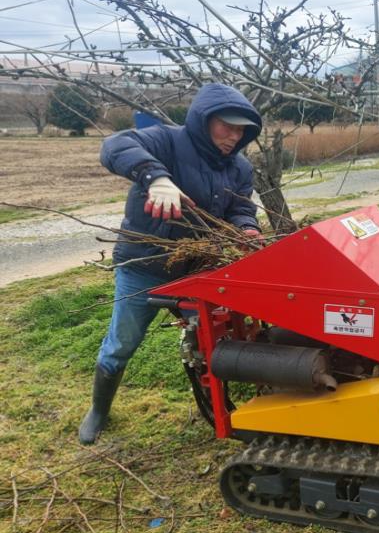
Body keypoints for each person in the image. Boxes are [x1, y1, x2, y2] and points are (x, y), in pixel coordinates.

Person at [79, 83, 263, 444]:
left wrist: (248, 230)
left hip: (198, 269)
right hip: (143, 266)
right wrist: (155, 177)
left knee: (211, 342)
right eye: (227, 125)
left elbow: (241, 208)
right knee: (123, 342)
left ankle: (219, 408)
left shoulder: (238, 167)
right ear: (205, 119)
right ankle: (98, 410)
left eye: (242, 130)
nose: (234, 135)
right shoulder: (166, 141)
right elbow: (114, 145)